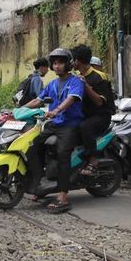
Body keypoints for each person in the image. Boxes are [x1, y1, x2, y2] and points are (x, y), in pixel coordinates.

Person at [22, 48, 84, 213]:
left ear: (68, 64)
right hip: (53, 123)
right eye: (55, 63)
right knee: (31, 147)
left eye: (60, 63)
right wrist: (18, 110)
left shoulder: (76, 82)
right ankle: (39, 182)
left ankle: (63, 195)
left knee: (63, 153)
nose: (57, 66)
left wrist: (56, 110)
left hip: (70, 124)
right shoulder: (52, 84)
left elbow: (71, 99)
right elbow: (38, 100)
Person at [71, 45, 115, 176]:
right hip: (85, 114)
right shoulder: (77, 77)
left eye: (72, 60)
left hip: (101, 116)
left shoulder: (99, 77)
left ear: (77, 61)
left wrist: (85, 86)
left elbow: (99, 102)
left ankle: (93, 160)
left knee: (85, 127)